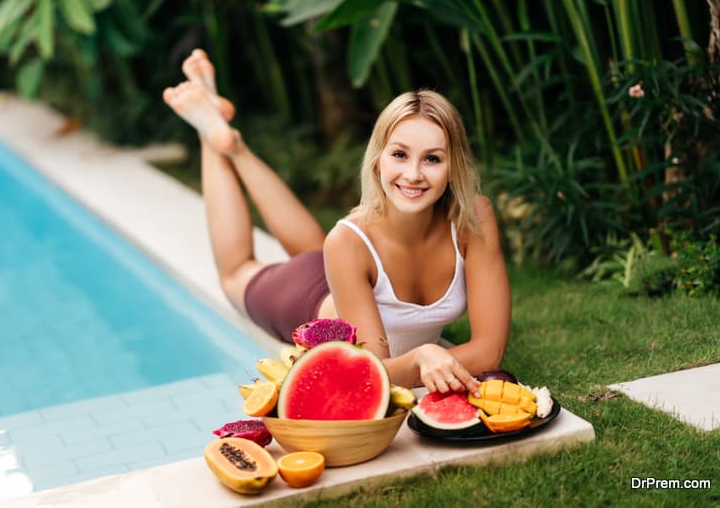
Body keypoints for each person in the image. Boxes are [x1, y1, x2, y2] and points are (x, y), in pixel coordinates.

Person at [163, 49, 510, 396]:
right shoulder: (347, 241)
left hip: (348, 271)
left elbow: (489, 352)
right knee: (236, 271)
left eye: (432, 159)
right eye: (400, 154)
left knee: (318, 246)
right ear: (378, 160)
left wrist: (421, 362)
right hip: (307, 298)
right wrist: (421, 357)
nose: (413, 174)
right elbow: (373, 374)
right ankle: (211, 136)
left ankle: (233, 144)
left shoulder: (473, 218)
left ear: (454, 167)